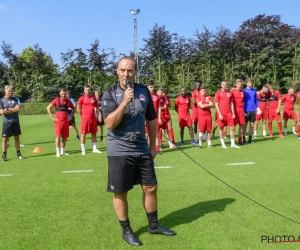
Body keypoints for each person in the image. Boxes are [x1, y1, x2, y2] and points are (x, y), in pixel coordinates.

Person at [102, 56, 176, 246]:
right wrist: (125, 102)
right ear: (117, 71)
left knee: (151, 187)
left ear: (135, 72)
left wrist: (153, 146)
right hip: (119, 150)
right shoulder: (109, 93)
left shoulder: (143, 91)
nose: (126, 74)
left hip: (142, 148)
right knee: (121, 192)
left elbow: (151, 119)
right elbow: (109, 124)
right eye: (122, 70)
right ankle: (126, 230)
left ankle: (154, 225)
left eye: (130, 70)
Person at [47, 89, 75, 157]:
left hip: (66, 122)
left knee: (64, 137)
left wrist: (71, 116)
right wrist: (53, 118)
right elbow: (48, 108)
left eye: (64, 94)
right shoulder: (56, 100)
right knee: (58, 137)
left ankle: (63, 151)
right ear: (60, 94)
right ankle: (57, 152)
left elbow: (74, 109)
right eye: (62, 94)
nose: (63, 95)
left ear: (66, 94)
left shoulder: (68, 101)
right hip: (58, 122)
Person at [0, 85, 25, 161]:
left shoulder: (15, 99)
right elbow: (1, 112)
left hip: (15, 121)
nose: (10, 92)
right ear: (5, 91)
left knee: (17, 138)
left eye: (11, 91)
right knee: (5, 139)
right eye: (9, 91)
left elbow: (18, 109)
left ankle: (19, 154)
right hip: (6, 122)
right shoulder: (1, 100)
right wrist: (12, 109)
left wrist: (7, 109)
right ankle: (4, 155)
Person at [77, 85, 102, 155]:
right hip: (85, 119)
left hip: (93, 118)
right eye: (86, 90)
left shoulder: (93, 98)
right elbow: (78, 108)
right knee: (83, 134)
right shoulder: (81, 98)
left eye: (88, 90)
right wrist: (81, 116)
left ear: (90, 90)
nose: (87, 91)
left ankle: (94, 148)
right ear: (84, 90)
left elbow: (97, 107)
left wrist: (99, 115)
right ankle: (83, 150)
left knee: (94, 133)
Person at [214, 81, 240, 149]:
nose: (224, 85)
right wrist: (219, 114)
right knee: (221, 128)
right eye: (223, 84)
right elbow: (216, 104)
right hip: (222, 113)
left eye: (225, 84)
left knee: (232, 128)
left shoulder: (230, 93)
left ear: (227, 85)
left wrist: (233, 113)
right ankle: (223, 143)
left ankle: (233, 143)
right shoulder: (218, 93)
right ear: (221, 85)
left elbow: (231, 103)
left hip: (229, 113)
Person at [242, 78, 261, 144]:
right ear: (246, 83)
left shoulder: (254, 90)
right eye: (249, 83)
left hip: (252, 110)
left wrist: (258, 108)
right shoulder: (243, 91)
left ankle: (250, 139)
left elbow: (256, 100)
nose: (250, 84)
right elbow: (241, 101)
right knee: (245, 125)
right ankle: (243, 139)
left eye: (251, 83)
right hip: (246, 110)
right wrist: (243, 110)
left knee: (252, 125)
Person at [146, 81, 162, 153]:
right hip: (146, 118)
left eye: (153, 87)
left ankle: (157, 149)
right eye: (150, 87)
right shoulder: (144, 95)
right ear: (147, 87)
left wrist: (159, 117)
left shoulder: (157, 97)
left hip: (154, 118)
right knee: (146, 134)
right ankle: (146, 149)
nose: (152, 88)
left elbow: (159, 108)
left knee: (155, 133)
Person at [231, 79, 246, 145]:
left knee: (242, 125)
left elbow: (244, 100)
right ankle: (233, 141)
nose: (240, 85)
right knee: (233, 127)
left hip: (241, 110)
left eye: (241, 84)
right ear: (236, 84)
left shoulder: (243, 92)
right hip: (234, 110)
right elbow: (230, 101)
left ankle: (240, 140)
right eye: (238, 84)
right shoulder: (232, 91)